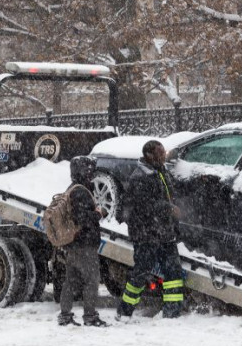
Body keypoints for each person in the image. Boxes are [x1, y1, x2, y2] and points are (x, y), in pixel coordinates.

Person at [116, 140, 184, 321]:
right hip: (146, 235)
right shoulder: (140, 177)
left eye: (164, 152)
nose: (164, 156)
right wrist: (168, 208)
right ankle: (124, 312)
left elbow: (167, 196)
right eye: (160, 153)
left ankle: (172, 314)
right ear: (149, 155)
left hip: (165, 233)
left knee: (174, 273)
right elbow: (144, 206)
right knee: (140, 274)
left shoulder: (161, 171)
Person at [58, 156, 108, 327]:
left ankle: (65, 315)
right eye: (88, 169)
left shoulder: (72, 188)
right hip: (84, 244)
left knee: (70, 281)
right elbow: (82, 218)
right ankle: (90, 316)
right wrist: (99, 214)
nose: (91, 172)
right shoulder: (80, 192)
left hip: (74, 244)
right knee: (91, 280)